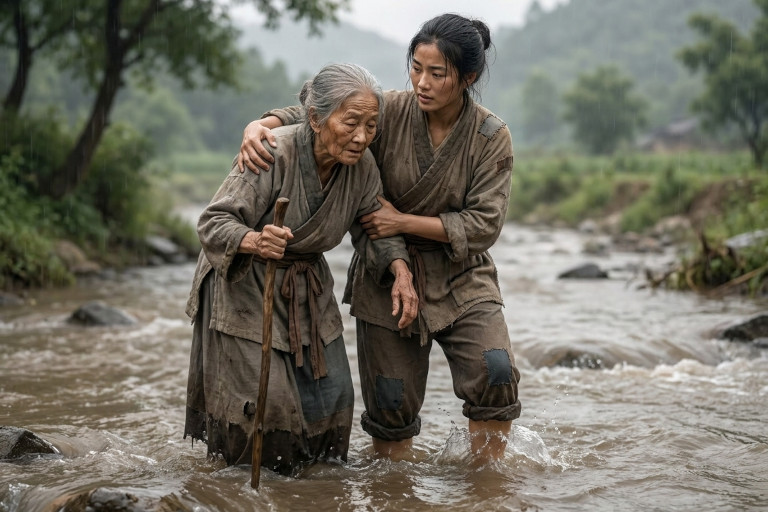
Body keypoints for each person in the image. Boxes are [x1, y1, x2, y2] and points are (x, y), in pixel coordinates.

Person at [238, 14, 521, 463]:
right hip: (383, 269)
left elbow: (484, 225)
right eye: (416, 67)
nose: (422, 82)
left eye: (437, 73)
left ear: (466, 78)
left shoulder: (490, 136)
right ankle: (395, 490)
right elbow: (316, 114)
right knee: (390, 400)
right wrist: (261, 124)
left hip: (462, 273)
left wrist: (402, 221)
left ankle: (486, 485)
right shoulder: (388, 112)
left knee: (495, 369)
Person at [184, 63, 419, 476]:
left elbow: (375, 227)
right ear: (315, 118)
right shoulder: (272, 152)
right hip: (246, 282)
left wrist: (400, 270)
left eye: (371, 125)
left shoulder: (362, 169)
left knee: (334, 397)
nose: (362, 137)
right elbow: (213, 222)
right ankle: (238, 489)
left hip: (306, 285)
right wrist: (255, 241)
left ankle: (319, 493)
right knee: (264, 409)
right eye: (351, 123)